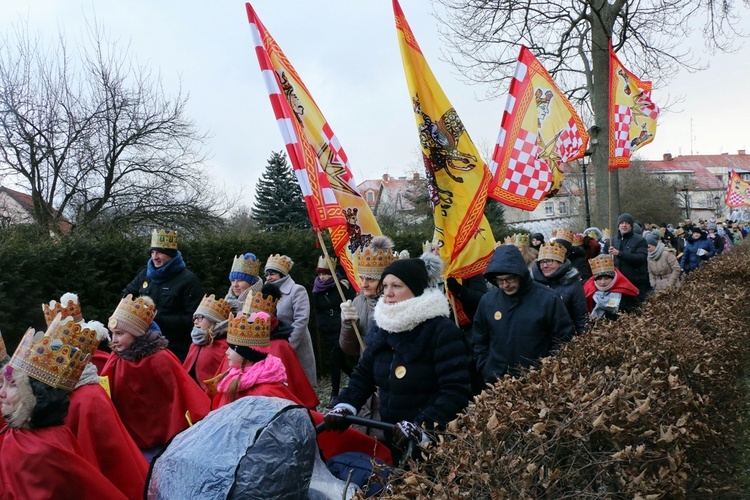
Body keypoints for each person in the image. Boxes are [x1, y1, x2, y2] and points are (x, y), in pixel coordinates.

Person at [325, 258, 472, 461]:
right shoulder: (384, 325)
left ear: (415, 288)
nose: (388, 293)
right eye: (385, 286)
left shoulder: (441, 330)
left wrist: (422, 427)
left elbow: (455, 390)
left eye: (396, 286)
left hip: (434, 444)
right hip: (392, 437)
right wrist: (345, 405)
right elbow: (364, 375)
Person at [0, 325, 128, 499]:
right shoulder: (19, 432)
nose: (2, 393)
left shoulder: (38, 450)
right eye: (3, 384)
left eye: (13, 385)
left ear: (33, 395)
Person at [101, 294, 210, 461]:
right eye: (112, 333)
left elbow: (183, 387)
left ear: (135, 333)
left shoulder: (160, 357)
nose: (114, 340)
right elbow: (105, 390)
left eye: (120, 333)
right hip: (132, 434)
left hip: (164, 436)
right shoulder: (116, 358)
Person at [472, 245, 576, 383]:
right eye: (500, 280)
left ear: (521, 274)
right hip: (497, 382)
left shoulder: (548, 299)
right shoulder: (487, 301)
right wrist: (487, 368)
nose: (505, 285)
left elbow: (563, 338)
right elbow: (479, 340)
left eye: (509, 279)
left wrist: (547, 370)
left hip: (537, 383)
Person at [123, 229, 203, 360]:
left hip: (175, 350)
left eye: (160, 252)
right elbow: (126, 296)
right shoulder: (144, 275)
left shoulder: (189, 280)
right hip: (143, 348)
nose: (155, 257)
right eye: (152, 252)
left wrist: (159, 319)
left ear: (171, 254)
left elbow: (195, 319)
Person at [264, 254, 317, 387]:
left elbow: (301, 320)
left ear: (282, 274)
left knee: (300, 386)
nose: (269, 278)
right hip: (274, 348)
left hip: (296, 346)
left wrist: (289, 345)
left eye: (272, 274)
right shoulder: (264, 293)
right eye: (266, 274)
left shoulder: (297, 290)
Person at [312, 255, 356, 407]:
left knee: (334, 360)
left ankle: (335, 393)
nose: (323, 277)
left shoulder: (341, 286)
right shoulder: (317, 290)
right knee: (339, 361)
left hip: (341, 326)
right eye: (321, 274)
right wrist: (321, 325)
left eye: (326, 273)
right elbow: (318, 310)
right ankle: (356, 378)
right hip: (327, 329)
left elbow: (351, 302)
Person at [531, 240, 588, 335]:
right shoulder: (534, 285)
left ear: (560, 263)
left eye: (549, 261)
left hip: (563, 339)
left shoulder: (573, 285)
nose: (544, 266)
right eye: (541, 262)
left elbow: (581, 318)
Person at [183, 294, 231, 391]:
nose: (196, 322)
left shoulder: (223, 345)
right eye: (195, 318)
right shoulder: (195, 344)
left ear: (213, 321)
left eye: (200, 317)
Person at [603, 213, 650, 310]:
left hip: (635, 284)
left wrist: (620, 254)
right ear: (618, 226)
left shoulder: (640, 240)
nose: (624, 225)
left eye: (627, 223)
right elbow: (603, 259)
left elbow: (640, 259)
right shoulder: (611, 241)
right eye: (622, 223)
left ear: (631, 226)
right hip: (617, 285)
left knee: (637, 312)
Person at [583, 254, 639, 320]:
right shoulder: (589, 290)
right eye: (599, 279)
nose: (602, 282)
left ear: (613, 278)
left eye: (606, 278)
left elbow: (634, 312)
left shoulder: (625, 291)